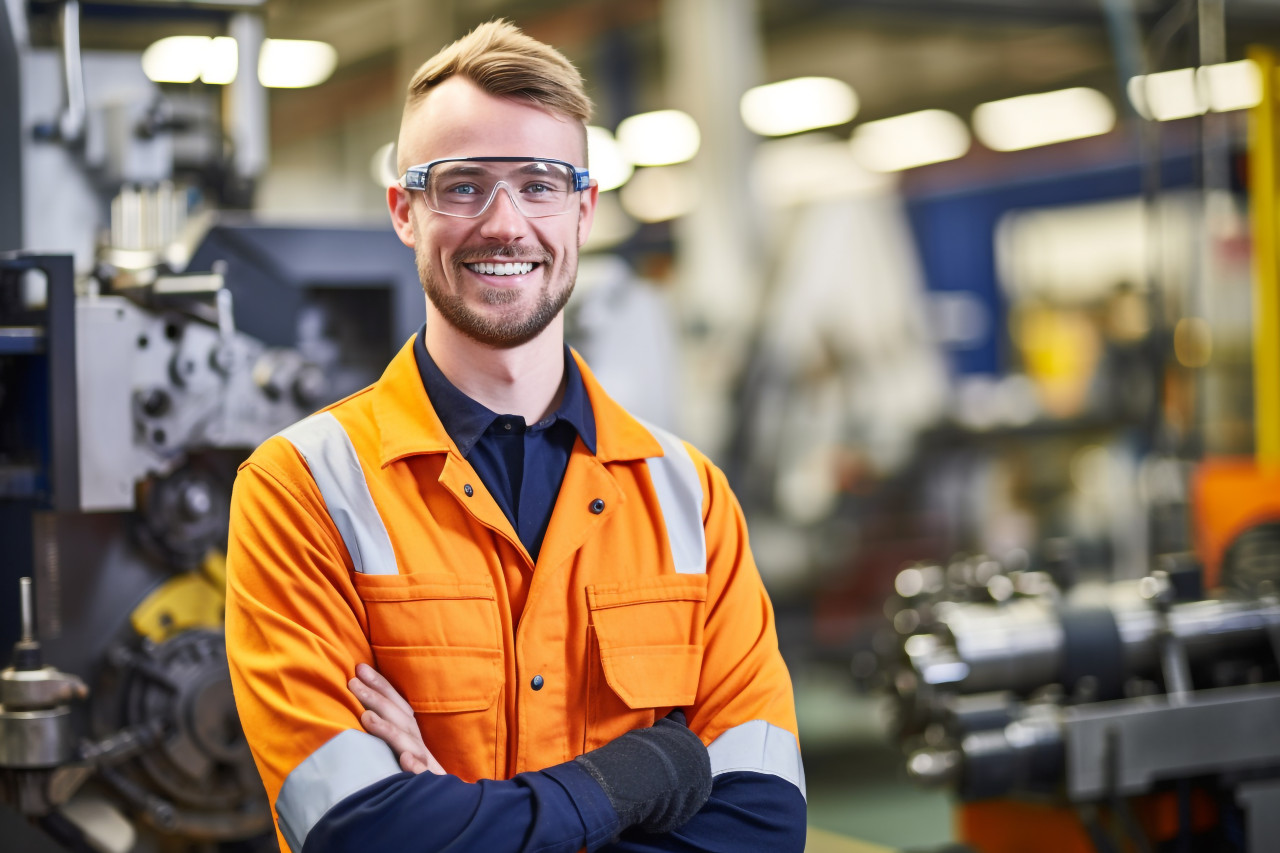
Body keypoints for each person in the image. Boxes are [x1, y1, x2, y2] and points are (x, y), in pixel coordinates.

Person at [224, 20, 805, 853]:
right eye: (462, 185)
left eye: (539, 183)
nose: (504, 223)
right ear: (404, 210)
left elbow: (761, 825)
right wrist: (635, 776)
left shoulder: (690, 497)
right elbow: (360, 834)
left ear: (584, 208)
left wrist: (455, 809)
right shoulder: (302, 488)